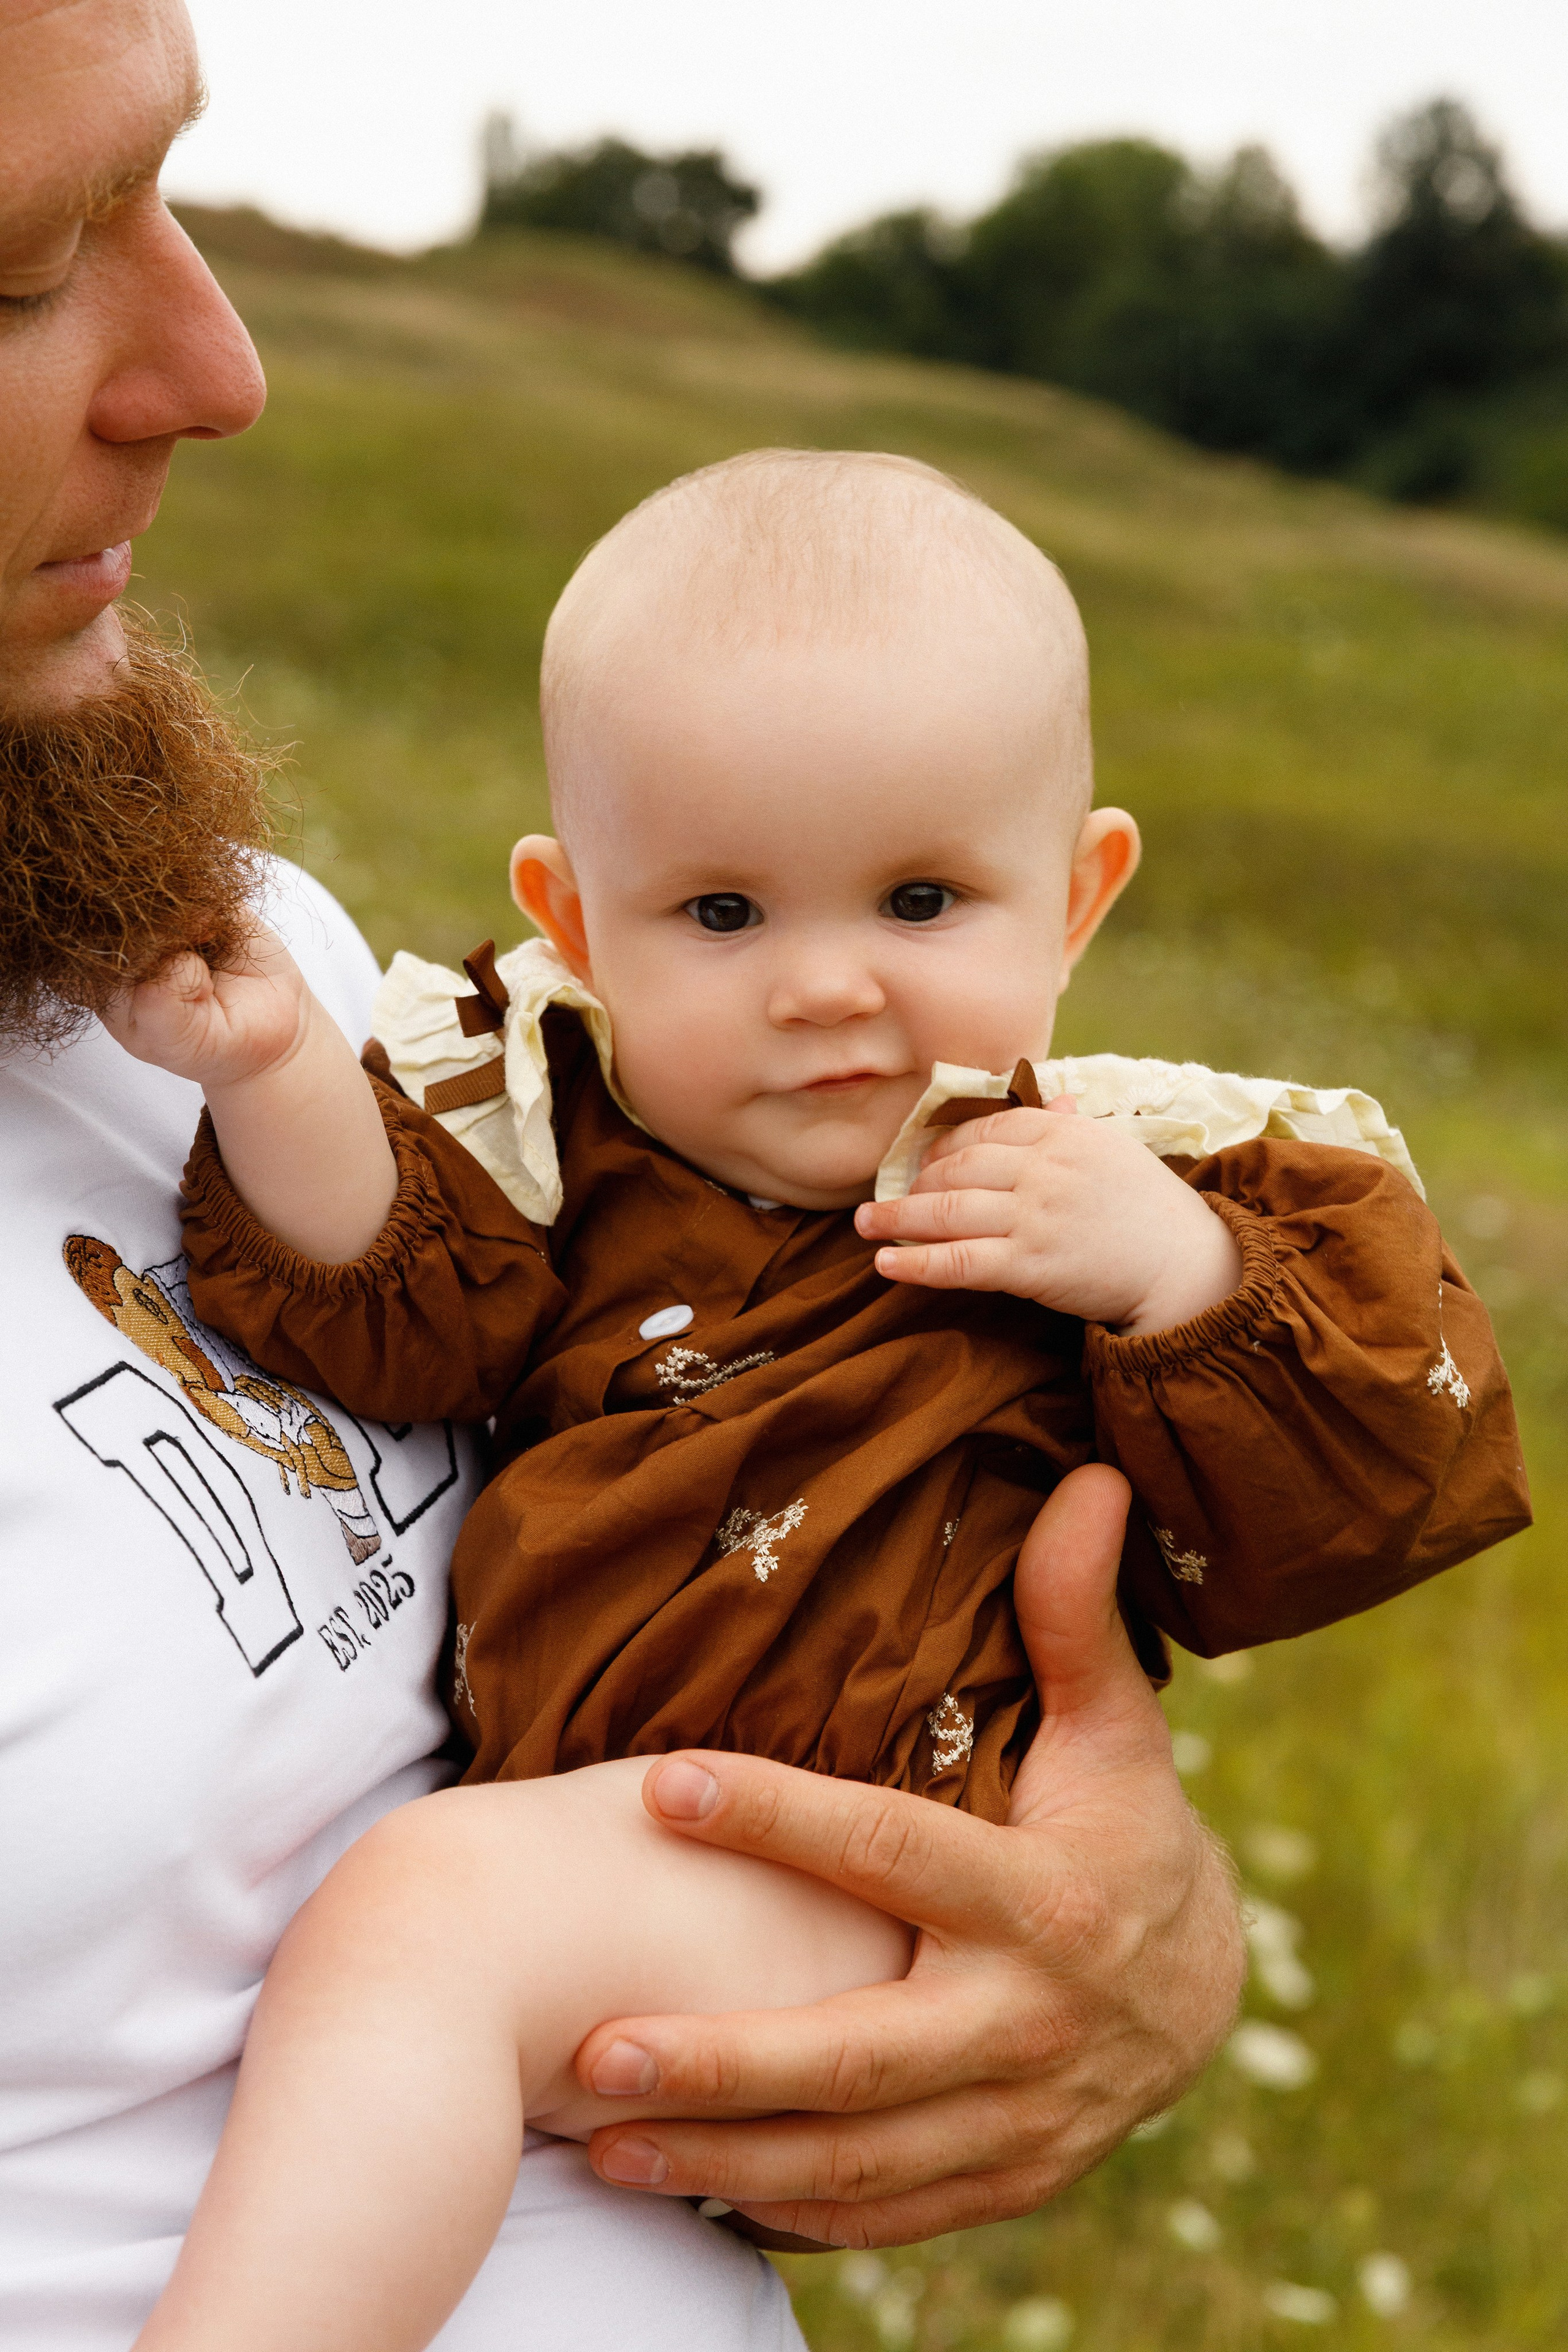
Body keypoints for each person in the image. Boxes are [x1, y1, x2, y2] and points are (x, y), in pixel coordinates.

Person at [0, 6, 1263, 2346]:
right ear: (582, 908)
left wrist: (1122, 1925)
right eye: (19, 267)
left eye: (169, 190)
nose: (217, 363)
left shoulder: (204, 950)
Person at [105, 451, 1528, 2351]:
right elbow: (377, 1317)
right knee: (442, 1928)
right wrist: (278, 1076)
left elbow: (1357, 1491)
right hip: (622, 1855)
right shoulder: (558, 1153)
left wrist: (1175, 1278)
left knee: (420, 1916)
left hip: (874, 1851)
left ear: (1082, 894)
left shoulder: (1127, 1185)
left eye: (922, 898)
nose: (826, 988)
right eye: (720, 914)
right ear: (575, 920)